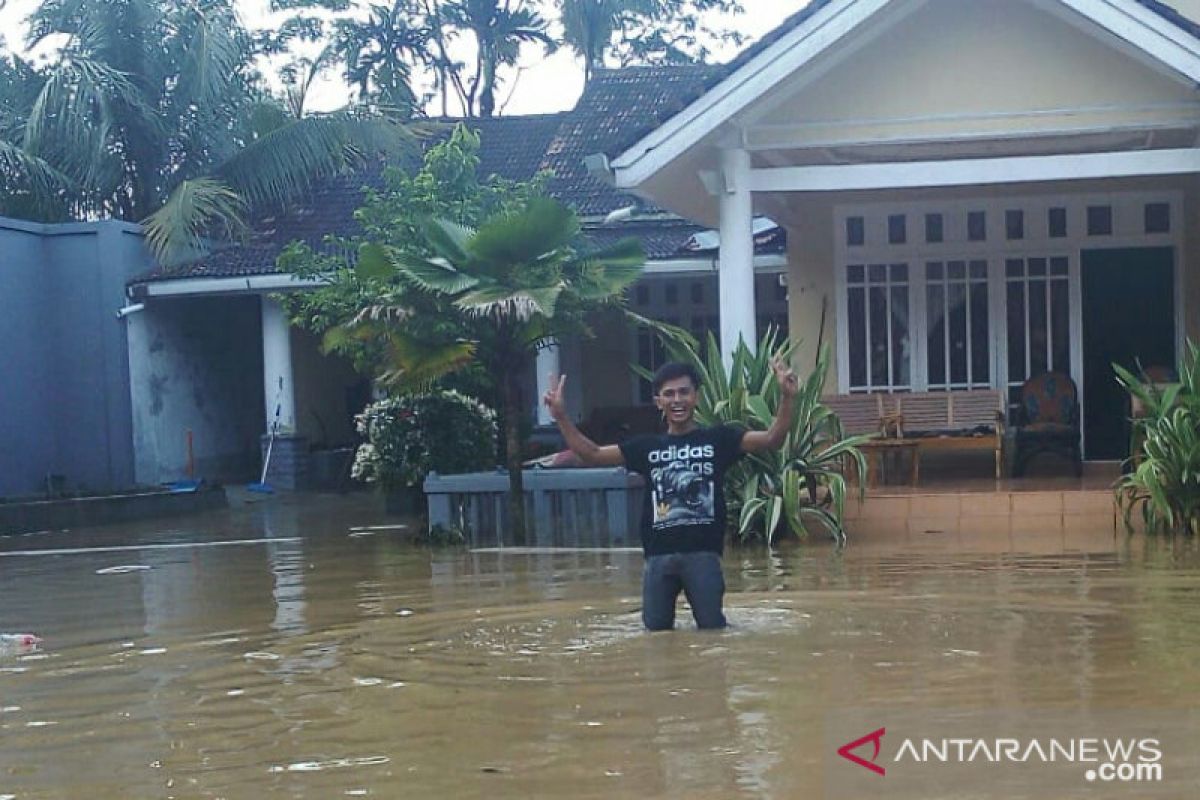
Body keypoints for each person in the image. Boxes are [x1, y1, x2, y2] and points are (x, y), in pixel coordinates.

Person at [542, 357, 799, 630]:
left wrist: (787, 397)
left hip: (703, 556)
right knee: (655, 635)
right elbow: (592, 454)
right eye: (669, 394)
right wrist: (561, 417)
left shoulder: (719, 440)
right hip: (658, 559)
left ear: (696, 397)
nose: (677, 400)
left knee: (713, 632)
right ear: (658, 401)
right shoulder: (646, 447)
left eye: (684, 392)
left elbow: (773, 438)